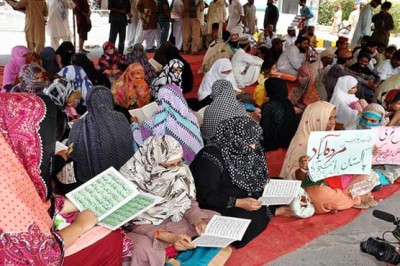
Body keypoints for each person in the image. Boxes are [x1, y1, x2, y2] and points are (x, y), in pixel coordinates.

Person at [0, 93, 126, 266]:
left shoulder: (7, 163)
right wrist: (80, 225)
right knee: (111, 240)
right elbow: (39, 256)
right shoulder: (4, 183)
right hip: (37, 256)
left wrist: (80, 203)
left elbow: (31, 202)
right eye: (42, 143)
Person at [191, 116, 291, 248]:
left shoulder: (248, 146)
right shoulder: (210, 157)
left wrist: (261, 182)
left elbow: (256, 171)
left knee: (281, 184)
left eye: (255, 141)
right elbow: (205, 195)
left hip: (243, 190)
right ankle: (272, 211)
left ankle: (267, 207)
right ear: (235, 138)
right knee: (251, 220)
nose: (254, 146)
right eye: (249, 142)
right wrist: (239, 202)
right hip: (221, 199)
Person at [120, 135, 217, 266]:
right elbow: (131, 223)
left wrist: (197, 221)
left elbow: (189, 203)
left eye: (179, 163)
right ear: (152, 161)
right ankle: (183, 256)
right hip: (147, 229)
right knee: (141, 249)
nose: (176, 169)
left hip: (177, 219)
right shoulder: (129, 178)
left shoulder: (181, 169)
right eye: (169, 165)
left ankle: (178, 257)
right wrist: (168, 237)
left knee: (215, 219)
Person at [280, 101, 377, 213]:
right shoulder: (303, 142)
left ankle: (341, 198)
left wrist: (367, 150)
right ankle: (354, 199)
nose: (332, 123)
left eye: (334, 118)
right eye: (328, 118)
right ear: (316, 118)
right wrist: (303, 168)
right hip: (312, 186)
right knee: (320, 196)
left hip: (333, 180)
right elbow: (294, 178)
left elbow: (347, 157)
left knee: (369, 174)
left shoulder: (331, 136)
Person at [67, 86, 134, 184]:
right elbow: (129, 142)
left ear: (89, 103)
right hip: (124, 178)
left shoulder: (79, 125)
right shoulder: (121, 118)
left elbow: (72, 152)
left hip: (93, 182)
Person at [131, 84, 203, 163]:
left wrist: (134, 125)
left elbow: (139, 140)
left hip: (169, 168)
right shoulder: (191, 116)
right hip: (194, 164)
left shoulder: (158, 119)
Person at [260, 78, 299, 151]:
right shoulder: (287, 102)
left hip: (274, 142)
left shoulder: (268, 106)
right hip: (288, 140)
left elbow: (266, 130)